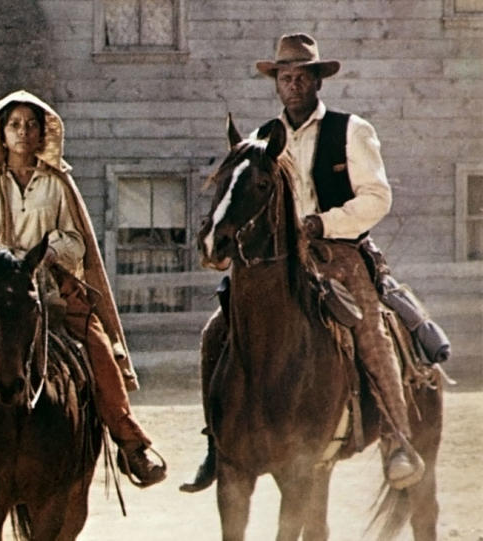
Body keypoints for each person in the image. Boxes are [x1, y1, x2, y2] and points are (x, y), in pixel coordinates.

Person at [0, 90, 167, 515]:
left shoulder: (58, 184)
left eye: (31, 124)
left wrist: (49, 251)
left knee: (98, 348)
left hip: (50, 292)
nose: (23, 132)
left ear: (43, 132)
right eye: (14, 124)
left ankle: (132, 443)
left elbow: (78, 242)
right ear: (0, 134)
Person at [181, 33, 425, 493]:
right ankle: (218, 443)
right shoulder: (258, 141)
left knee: (369, 327)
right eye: (285, 77)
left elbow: (377, 197)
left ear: (317, 81)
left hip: (338, 251)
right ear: (277, 83)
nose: (292, 85)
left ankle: (397, 438)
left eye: (301, 77)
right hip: (276, 261)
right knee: (216, 329)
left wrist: (322, 224)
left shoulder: (351, 131)